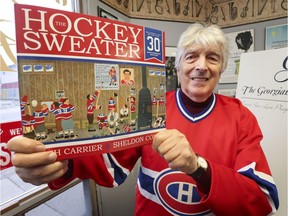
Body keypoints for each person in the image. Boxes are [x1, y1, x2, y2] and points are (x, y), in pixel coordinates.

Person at [7, 23, 279, 215]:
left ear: (221, 68)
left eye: (212, 58)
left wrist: (198, 167)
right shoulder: (152, 107)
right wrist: (58, 161)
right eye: (191, 56)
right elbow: (108, 164)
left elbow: (260, 201)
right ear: (177, 64)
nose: (201, 66)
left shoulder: (240, 116)